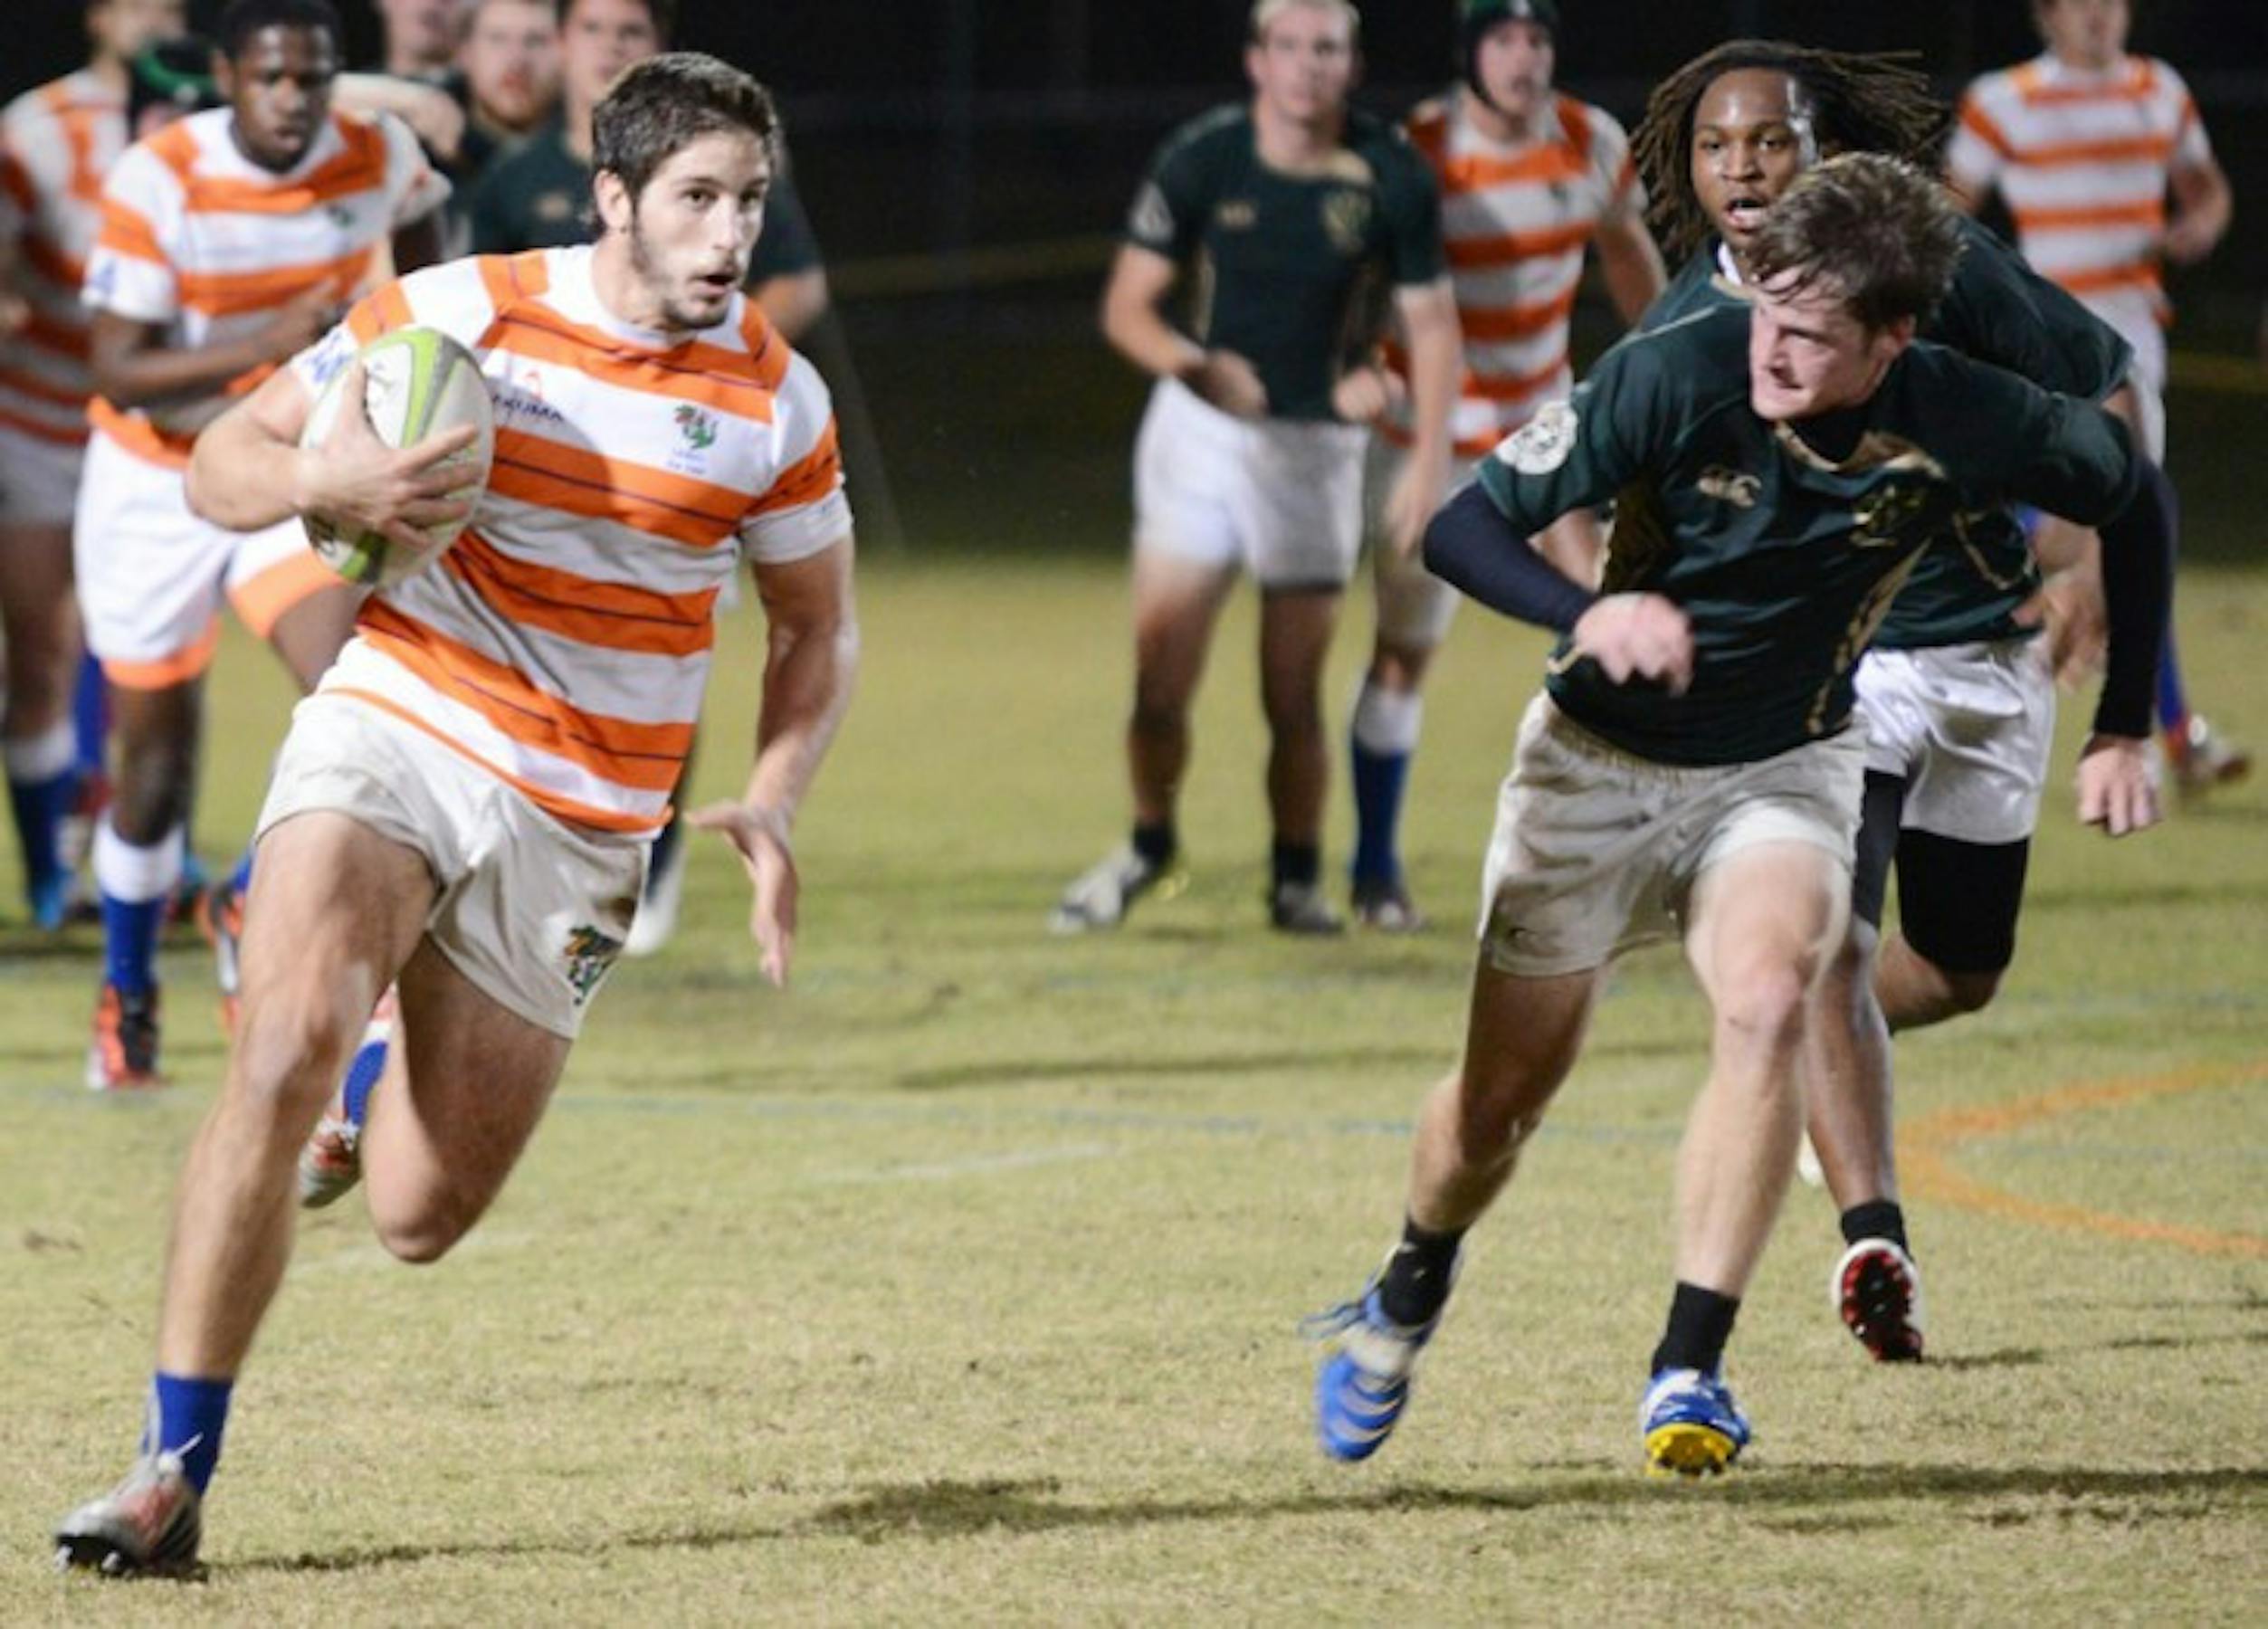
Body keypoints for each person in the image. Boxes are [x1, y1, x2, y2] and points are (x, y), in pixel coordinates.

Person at [53, 48, 857, 1576]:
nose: (729, 236)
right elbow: (223, 459)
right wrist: (327, 484)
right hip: (406, 720)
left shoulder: (774, 401)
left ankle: (374, 1085)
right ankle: (169, 1473)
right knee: (276, 1044)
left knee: (420, 1216)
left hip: (587, 820)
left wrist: (770, 796)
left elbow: (818, 629)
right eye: (697, 198)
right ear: (613, 197)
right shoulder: (462, 314)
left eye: (751, 202)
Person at [1308, 153, 2168, 1476]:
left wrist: (2121, 725)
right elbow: (1461, 525)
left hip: (1785, 761)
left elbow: (2134, 489)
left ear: (1892, 341)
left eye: (1809, 334)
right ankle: (1411, 1277)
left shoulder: (1967, 410)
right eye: (1764, 310)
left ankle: (1687, 1368)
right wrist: (1584, 610)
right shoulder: (1675, 366)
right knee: (1494, 1114)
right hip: (1594, 768)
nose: (1770, 349)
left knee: (1773, 996)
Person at [1628, 40, 2172, 1363]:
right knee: (1823, 948)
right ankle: (1875, 1235)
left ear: (1819, 146)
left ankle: (1834, 1084)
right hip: (1827, 677)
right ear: (1686, 171)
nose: (1743, 166)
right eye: (1716, 146)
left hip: (1984, 659)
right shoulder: (1679, 334)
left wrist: (2089, 551)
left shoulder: (1929, 256)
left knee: (1960, 970)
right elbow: (1638, 512)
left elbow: (2102, 384)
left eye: (1769, 138)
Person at [73, 0, 450, 1090]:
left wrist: (413, 364)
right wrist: (264, 342)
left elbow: (427, 277)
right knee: (154, 768)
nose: (295, 100)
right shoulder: (162, 178)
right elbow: (115, 365)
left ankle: (250, 893)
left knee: (353, 696)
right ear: (230, 75)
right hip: (158, 483)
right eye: (273, 78)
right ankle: (129, 991)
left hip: (295, 472)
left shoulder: (377, 153)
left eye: (315, 79)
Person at [1052, 0, 1460, 936]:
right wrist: (1194, 365)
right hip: (1199, 443)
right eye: (1289, 46)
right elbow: (1127, 308)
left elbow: (1430, 324)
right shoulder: (1204, 157)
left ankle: (1294, 877)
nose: (1307, 66)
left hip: (1314, 457)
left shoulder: (1391, 171)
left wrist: (1424, 453)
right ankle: (1149, 845)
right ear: (1255, 59)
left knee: (1293, 694)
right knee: (1160, 680)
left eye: (1327, 49)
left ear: (1352, 65)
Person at [464, 0, 831, 955]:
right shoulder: (512, 196)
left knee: (659, 657)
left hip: (683, 467)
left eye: (632, 32)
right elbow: (464, 332)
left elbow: (792, 282)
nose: (728, 231)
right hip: (531, 494)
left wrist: (723, 385)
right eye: (595, 30)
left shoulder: (773, 384)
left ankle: (641, 859)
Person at [1339, 0, 1663, 929]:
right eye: (1501, 41)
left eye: (1537, 40)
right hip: (1429, 434)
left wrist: (1681, 362)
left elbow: (1625, 254)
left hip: (1546, 421)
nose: (1522, 59)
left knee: (1606, 621)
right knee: (1404, 652)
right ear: (1470, 56)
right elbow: (1368, 281)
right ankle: (1372, 870)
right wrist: (1358, 366)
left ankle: (1622, 852)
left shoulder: (1589, 139)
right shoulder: (1421, 148)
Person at [1947, 0, 2243, 793]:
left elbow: (2207, 191)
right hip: (2040, 341)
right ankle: (2152, 727)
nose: (2099, 18)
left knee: (2123, 527)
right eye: (2081, 3)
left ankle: (2145, 726)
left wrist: (2197, 226)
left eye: (2111, 2)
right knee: (2100, 535)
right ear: (2046, 15)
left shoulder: (2158, 89)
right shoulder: (2003, 100)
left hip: (2133, 342)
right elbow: (1946, 218)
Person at [0, 0, 187, 930]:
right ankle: (47, 879)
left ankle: (150, 852)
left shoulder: (206, 116)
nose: (159, 15)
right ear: (100, 16)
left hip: (157, 430)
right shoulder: (36, 132)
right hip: (42, 425)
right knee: (39, 651)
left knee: (149, 659)